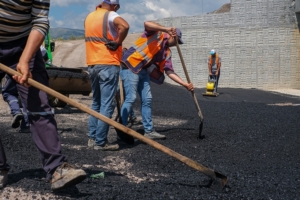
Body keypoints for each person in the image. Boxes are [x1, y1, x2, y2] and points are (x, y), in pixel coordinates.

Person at [0, 0, 86, 190]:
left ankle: (57, 169)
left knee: (39, 106)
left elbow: (40, 21)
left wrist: (25, 58)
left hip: (23, 43)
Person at [120, 21, 194, 140]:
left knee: (147, 99)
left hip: (143, 70)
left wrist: (185, 84)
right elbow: (146, 23)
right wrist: (166, 29)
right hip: (130, 65)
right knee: (131, 97)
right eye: (176, 41)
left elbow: (169, 71)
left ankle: (149, 131)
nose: (176, 44)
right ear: (171, 36)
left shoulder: (167, 52)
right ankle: (122, 129)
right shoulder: (156, 33)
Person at [85, 0, 129, 151]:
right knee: (106, 104)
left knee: (96, 102)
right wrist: (117, 42)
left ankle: (92, 138)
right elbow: (125, 26)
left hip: (92, 63)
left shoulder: (90, 16)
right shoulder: (111, 14)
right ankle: (100, 142)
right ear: (115, 6)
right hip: (107, 63)